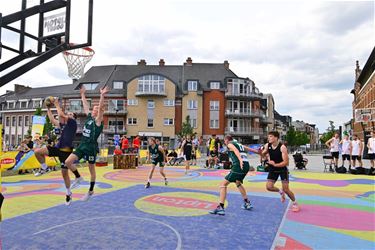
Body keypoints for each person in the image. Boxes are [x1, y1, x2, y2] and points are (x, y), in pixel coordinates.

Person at [64, 86, 109, 202]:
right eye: (93, 109)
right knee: (68, 162)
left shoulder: (98, 121)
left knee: (92, 171)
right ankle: (78, 177)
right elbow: (85, 105)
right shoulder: (89, 118)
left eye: (96, 109)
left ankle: (90, 191)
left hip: (91, 147)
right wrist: (83, 94)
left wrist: (102, 95)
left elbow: (100, 110)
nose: (94, 110)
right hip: (82, 145)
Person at [34, 97, 79, 205]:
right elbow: (53, 120)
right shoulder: (63, 125)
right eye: (69, 114)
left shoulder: (72, 123)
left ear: (73, 117)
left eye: (70, 114)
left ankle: (68, 193)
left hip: (66, 151)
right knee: (37, 152)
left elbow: (61, 115)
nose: (68, 115)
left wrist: (56, 103)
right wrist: (48, 109)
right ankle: (44, 168)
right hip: (58, 148)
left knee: (64, 174)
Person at [210, 135, 260, 215]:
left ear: (226, 140)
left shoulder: (230, 144)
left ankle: (221, 207)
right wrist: (259, 152)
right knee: (238, 182)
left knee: (223, 184)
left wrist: (240, 161)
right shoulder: (239, 144)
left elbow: (236, 151)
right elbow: (251, 149)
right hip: (246, 166)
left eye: (225, 141)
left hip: (239, 166)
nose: (225, 143)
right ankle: (247, 203)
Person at [261, 131, 300, 212]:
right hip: (272, 169)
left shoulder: (282, 147)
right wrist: (264, 155)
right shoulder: (267, 145)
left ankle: (295, 203)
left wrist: (275, 164)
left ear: (276, 137)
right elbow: (263, 155)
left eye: (271, 136)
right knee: (269, 187)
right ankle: (280, 191)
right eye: (268, 136)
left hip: (282, 169)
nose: (269, 138)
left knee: (286, 189)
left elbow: (286, 162)